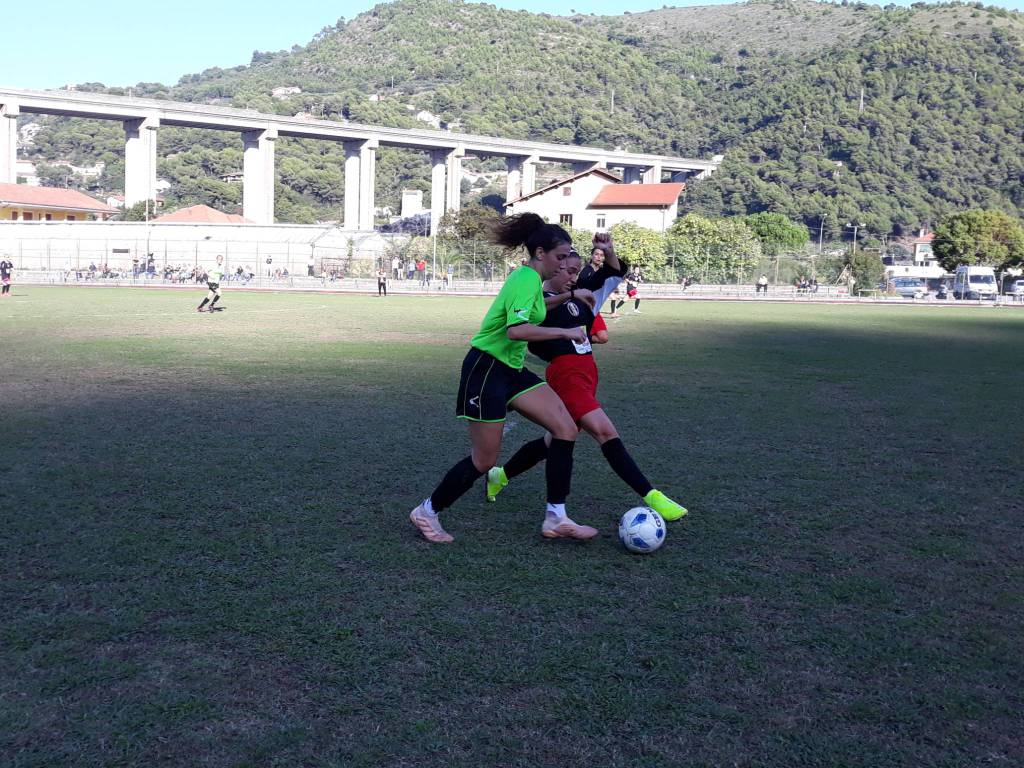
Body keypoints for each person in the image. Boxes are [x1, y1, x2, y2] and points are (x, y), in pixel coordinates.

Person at [409, 213, 597, 544]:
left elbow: (538, 305)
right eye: (560, 256)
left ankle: (557, 517)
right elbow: (517, 330)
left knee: (566, 428)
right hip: (486, 371)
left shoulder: (531, 282)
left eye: (568, 255)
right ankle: (427, 511)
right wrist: (565, 331)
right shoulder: (524, 279)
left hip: (511, 371)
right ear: (540, 253)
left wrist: (570, 296)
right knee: (485, 460)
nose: (566, 263)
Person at [485, 234, 687, 523]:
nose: (571, 277)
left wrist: (607, 250)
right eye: (567, 271)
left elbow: (615, 272)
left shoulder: (580, 292)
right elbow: (518, 326)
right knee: (605, 431)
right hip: (565, 375)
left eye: (575, 272)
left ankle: (500, 475)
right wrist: (565, 302)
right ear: (552, 269)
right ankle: (652, 495)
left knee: (555, 439)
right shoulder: (538, 301)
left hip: (588, 373)